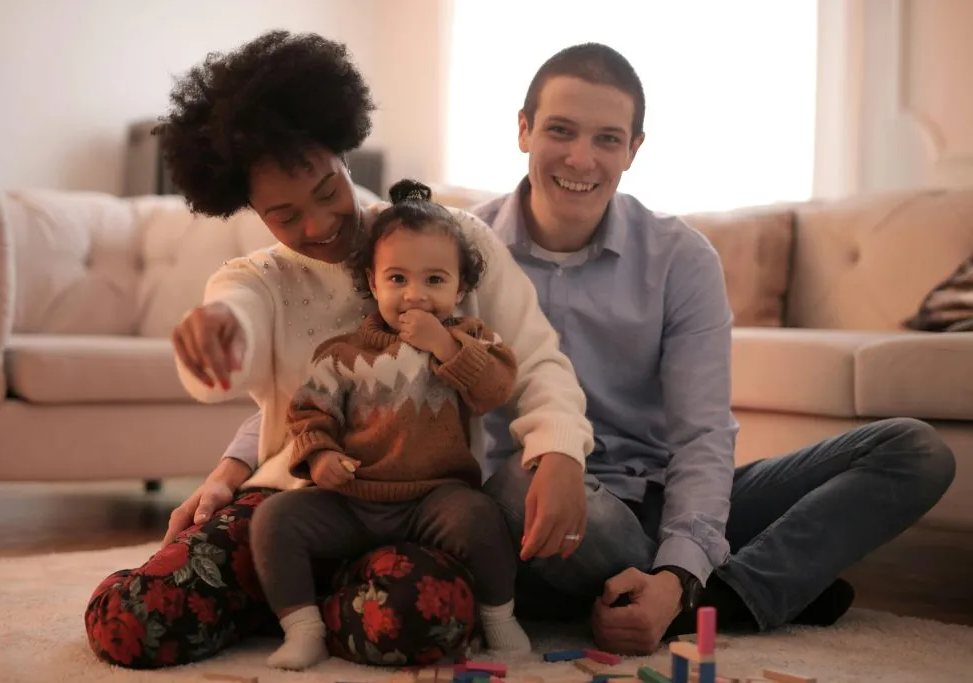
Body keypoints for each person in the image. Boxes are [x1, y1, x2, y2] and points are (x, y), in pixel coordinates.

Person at [208, 41, 958, 656]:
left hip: (655, 489)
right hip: (530, 504)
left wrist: (680, 564)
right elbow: (341, 363)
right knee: (521, 492)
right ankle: (730, 581)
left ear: (633, 149)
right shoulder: (448, 249)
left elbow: (702, 432)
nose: (581, 157)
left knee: (912, 450)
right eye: (561, 130)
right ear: (524, 129)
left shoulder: (680, 258)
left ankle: (704, 592)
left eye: (608, 138)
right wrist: (235, 464)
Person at [84, 31, 593, 669]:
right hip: (296, 504)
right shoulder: (254, 279)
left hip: (422, 505)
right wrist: (215, 329)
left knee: (414, 619)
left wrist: (560, 451)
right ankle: (298, 598)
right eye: (285, 214)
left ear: (344, 150)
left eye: (327, 190)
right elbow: (238, 347)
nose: (320, 226)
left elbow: (535, 363)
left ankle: (296, 604)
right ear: (249, 208)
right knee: (133, 625)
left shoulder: (450, 242)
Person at [252, 178, 532, 670]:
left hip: (434, 499)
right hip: (353, 500)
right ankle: (303, 628)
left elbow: (495, 390)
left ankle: (499, 616)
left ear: (462, 287)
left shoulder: (469, 339)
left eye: (435, 281)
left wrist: (444, 346)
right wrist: (320, 457)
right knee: (274, 520)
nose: (415, 297)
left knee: (481, 518)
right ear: (372, 281)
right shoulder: (342, 354)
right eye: (398, 279)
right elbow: (308, 414)